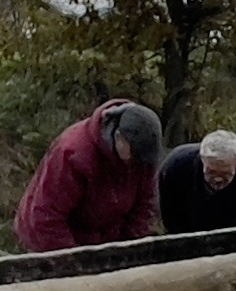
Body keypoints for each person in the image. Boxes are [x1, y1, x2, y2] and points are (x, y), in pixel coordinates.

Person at [12, 99, 163, 250]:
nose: (138, 164)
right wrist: (75, 259)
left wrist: (128, 249)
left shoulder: (142, 159)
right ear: (119, 137)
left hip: (103, 236)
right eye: (134, 156)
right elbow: (47, 217)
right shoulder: (72, 154)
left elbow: (144, 207)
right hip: (52, 234)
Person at [158, 128, 236, 232]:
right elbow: (168, 215)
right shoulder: (176, 166)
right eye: (211, 172)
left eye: (225, 174)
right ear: (202, 159)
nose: (218, 179)